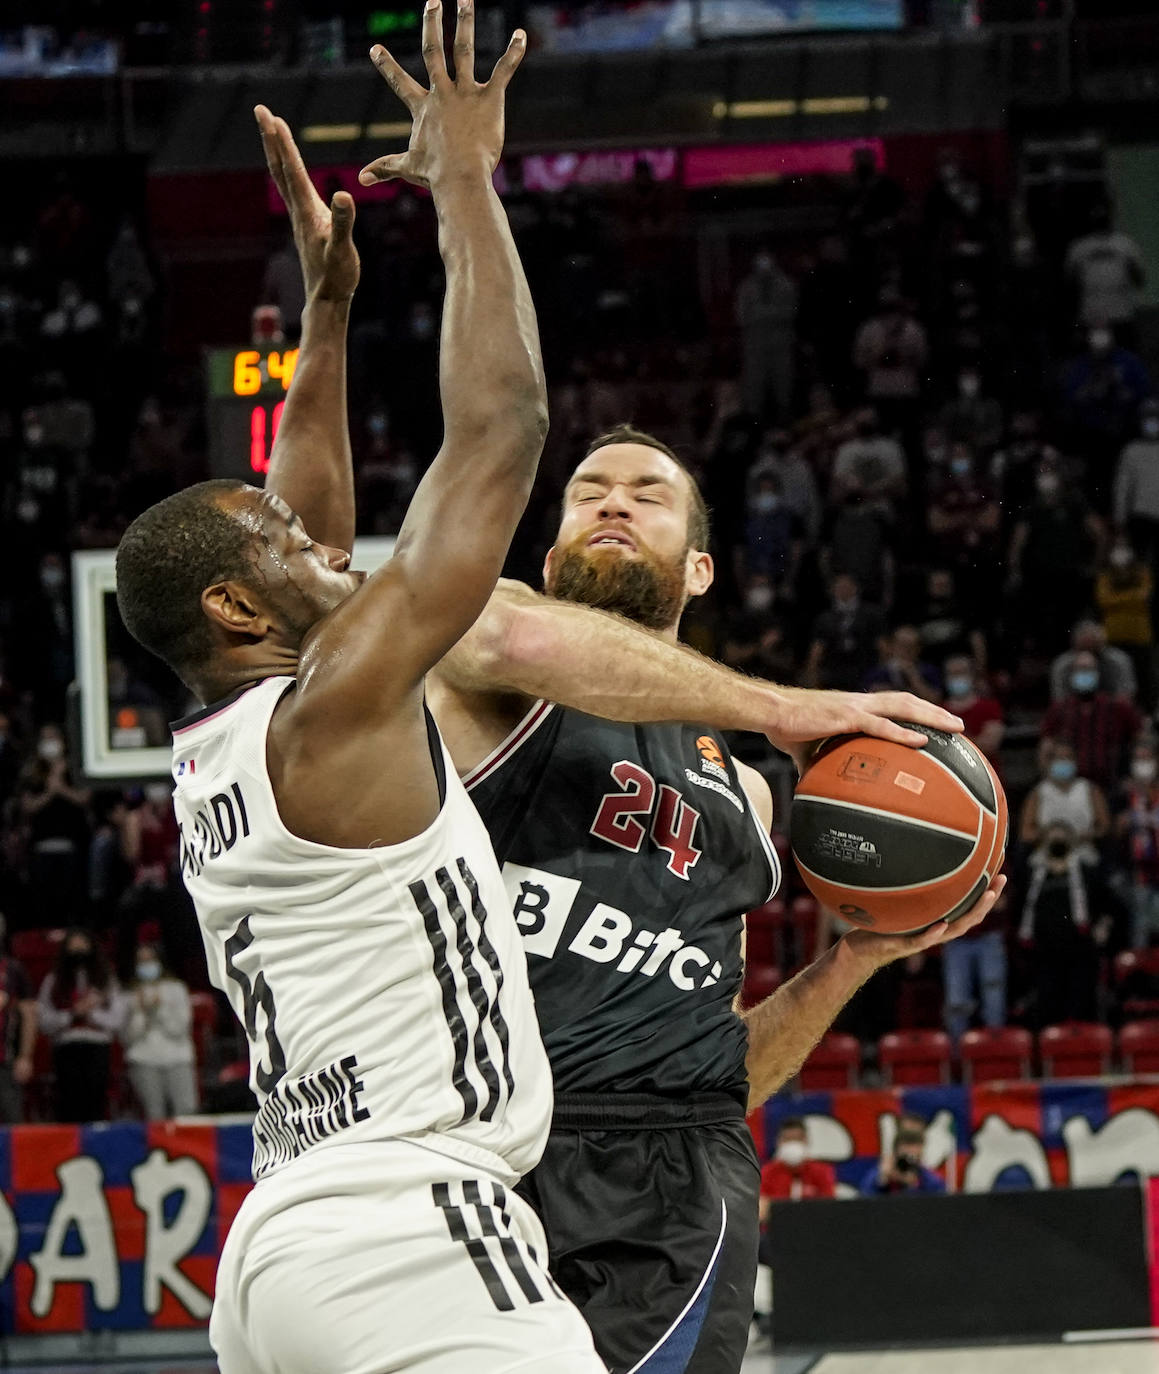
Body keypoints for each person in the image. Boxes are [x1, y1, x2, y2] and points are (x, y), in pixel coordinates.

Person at [269, 119, 1003, 1374]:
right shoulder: (481, 667)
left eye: (645, 494)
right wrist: (783, 704)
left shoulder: (758, 803)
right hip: (475, 1146)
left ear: (701, 566)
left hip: (678, 1183)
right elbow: (495, 624)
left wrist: (851, 964)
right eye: (587, 491)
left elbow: (721, 1068)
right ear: (549, 551)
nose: (610, 497)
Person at [116, 20, 608, 1372]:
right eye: (279, 549)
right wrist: (464, 181)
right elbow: (502, 428)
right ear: (234, 607)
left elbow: (299, 517)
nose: (324, 546)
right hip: (411, 1230)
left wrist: (325, 312)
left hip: (285, 1254)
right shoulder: (329, 709)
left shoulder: (230, 738)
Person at [1018, 824, 1126, 1026]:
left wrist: (1104, 925)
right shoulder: (1032, 875)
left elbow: (1113, 906)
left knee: (1080, 1007)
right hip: (1045, 954)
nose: (1058, 840)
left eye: (1062, 837)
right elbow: (1020, 911)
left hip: (1080, 952)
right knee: (1047, 1009)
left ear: (1072, 842)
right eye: (1053, 837)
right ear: (1044, 843)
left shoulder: (1087, 872)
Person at [37, 927, 122, 1123]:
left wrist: (92, 1013)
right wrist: (71, 1015)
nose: (78, 950)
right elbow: (44, 1019)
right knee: (69, 1102)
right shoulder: (54, 980)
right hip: (66, 1046)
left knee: (96, 1099)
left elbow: (117, 1019)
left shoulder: (106, 980)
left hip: (97, 1044)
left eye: (82, 945)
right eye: (73, 946)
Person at [1041, 651, 1142, 792]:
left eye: (1089, 669)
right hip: (1070, 786)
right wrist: (1051, 781)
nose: (1084, 674)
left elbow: (1141, 740)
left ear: (1098, 673)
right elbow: (1046, 749)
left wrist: (1133, 776)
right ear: (1072, 674)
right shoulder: (1059, 710)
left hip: (1112, 785)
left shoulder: (1117, 708)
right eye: (1080, 669)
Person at [121, 940, 198, 1119]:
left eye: (150, 960)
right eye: (141, 961)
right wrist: (142, 1013)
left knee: (187, 1112)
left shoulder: (176, 989)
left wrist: (159, 1009)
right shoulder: (129, 994)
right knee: (154, 1115)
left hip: (177, 1058)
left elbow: (179, 1029)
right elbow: (128, 1037)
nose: (146, 965)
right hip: (144, 1060)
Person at [1019, 741, 1109, 870]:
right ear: (1050, 762)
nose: (1063, 762)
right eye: (1059, 758)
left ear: (1075, 761)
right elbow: (1025, 833)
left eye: (1068, 757)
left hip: (1083, 853)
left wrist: (1086, 835)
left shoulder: (1089, 789)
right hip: (1046, 855)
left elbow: (1104, 827)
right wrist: (1050, 835)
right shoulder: (1038, 793)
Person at [804, 573, 888, 691]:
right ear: (833, 590)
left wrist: (881, 673)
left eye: (848, 586)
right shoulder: (825, 618)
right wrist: (812, 672)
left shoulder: (871, 614)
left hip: (864, 668)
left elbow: (882, 645)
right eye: (839, 586)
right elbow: (817, 649)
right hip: (833, 670)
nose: (844, 589)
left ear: (856, 588)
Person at [1114, 738, 1159, 950]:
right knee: (1140, 922)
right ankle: (1138, 973)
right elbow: (1111, 829)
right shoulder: (1123, 794)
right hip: (1136, 872)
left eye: (1147, 758)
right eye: (1138, 759)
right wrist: (1121, 823)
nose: (1143, 763)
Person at [0, 914, 36, 1123]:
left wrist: (25, 1056)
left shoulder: (12, 969)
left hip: (5, 1062)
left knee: (12, 1127)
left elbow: (29, 1014)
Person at [1049, 618, 1136, 704]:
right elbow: (1059, 697)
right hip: (1072, 710)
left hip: (1113, 709)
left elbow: (1126, 693)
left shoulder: (1118, 660)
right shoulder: (1062, 664)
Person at [759, 1117, 836, 1209]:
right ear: (778, 1142)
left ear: (806, 1141)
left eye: (797, 1139)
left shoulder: (822, 1171)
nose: (793, 1144)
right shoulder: (768, 1172)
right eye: (787, 1139)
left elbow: (829, 1205)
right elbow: (761, 1207)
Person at [859, 1116, 945, 1196]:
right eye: (905, 1157)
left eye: (913, 1158)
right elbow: (864, 1198)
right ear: (896, 1153)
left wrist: (912, 1185)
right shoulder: (881, 1174)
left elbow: (938, 1201)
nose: (908, 1162)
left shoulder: (930, 1180)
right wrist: (882, 1180)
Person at [942, 655, 1003, 767]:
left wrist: (951, 742)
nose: (957, 678)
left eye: (961, 673)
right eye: (952, 674)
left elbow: (989, 745)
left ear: (972, 676)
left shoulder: (989, 707)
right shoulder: (940, 710)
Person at [862, 625, 941, 703]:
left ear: (918, 648)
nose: (906, 650)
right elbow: (868, 697)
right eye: (902, 645)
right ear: (892, 646)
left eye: (911, 646)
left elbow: (935, 699)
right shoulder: (878, 671)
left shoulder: (928, 670)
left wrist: (914, 677)